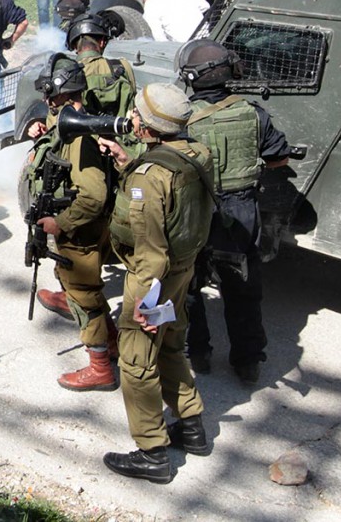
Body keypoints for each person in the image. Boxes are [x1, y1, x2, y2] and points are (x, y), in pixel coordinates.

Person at [98, 83, 215, 484]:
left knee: (136, 362)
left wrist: (146, 305)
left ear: (148, 128)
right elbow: (173, 201)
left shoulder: (148, 177)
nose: (131, 119)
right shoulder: (196, 154)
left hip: (152, 278)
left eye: (137, 115)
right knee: (171, 344)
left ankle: (152, 452)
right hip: (183, 270)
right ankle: (191, 425)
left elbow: (150, 249)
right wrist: (127, 163)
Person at [178, 39, 290, 384]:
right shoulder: (254, 113)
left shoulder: (181, 116)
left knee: (189, 284)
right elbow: (278, 158)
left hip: (194, 209)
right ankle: (247, 361)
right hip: (240, 211)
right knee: (242, 287)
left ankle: (198, 353)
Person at [27, 54, 118, 391]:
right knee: (82, 287)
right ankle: (112, 341)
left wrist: (61, 223)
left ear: (64, 94)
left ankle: (100, 367)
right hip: (83, 227)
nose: (46, 102)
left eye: (50, 96)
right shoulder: (75, 119)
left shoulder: (80, 138)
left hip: (82, 230)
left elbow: (93, 195)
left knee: (83, 294)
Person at [139, 0, 210, 42]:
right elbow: (206, 6)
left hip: (184, 44)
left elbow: (157, 34)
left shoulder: (150, 4)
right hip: (204, 34)